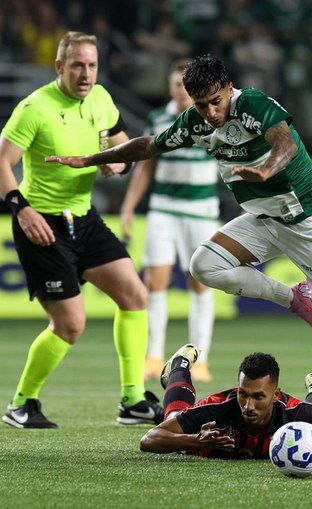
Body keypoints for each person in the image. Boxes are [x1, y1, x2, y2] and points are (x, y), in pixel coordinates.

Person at [46, 54, 312, 397]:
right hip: (265, 219)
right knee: (204, 265)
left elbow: (284, 143)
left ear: (229, 89)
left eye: (215, 101)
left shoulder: (254, 105)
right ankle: (294, 298)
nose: (210, 113)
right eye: (200, 105)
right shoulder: (195, 121)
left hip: (311, 219)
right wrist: (91, 159)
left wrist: (265, 171)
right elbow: (149, 145)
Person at [0, 32, 161, 429]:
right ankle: (21, 403)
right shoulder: (34, 108)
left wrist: (120, 164)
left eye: (93, 65)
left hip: (83, 218)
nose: (86, 74)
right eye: (78, 65)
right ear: (59, 67)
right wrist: (22, 210)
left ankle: (132, 399)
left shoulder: (101, 99)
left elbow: (125, 147)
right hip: (41, 223)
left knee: (135, 295)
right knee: (70, 325)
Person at [120, 59, 220, 383]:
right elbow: (146, 165)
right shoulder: (158, 118)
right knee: (156, 282)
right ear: (169, 87)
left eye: (185, 85)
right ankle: (154, 355)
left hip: (202, 210)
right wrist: (129, 206)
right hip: (164, 209)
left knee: (200, 283)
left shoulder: (212, 118)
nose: (181, 90)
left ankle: (199, 358)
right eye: (176, 84)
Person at [139, 345, 312, 457]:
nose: (248, 405)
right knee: (173, 418)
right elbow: (149, 439)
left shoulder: (292, 413)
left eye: (259, 396)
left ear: (275, 395)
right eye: (244, 394)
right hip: (199, 428)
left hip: (300, 409)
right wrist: (194, 440)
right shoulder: (219, 407)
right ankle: (180, 364)